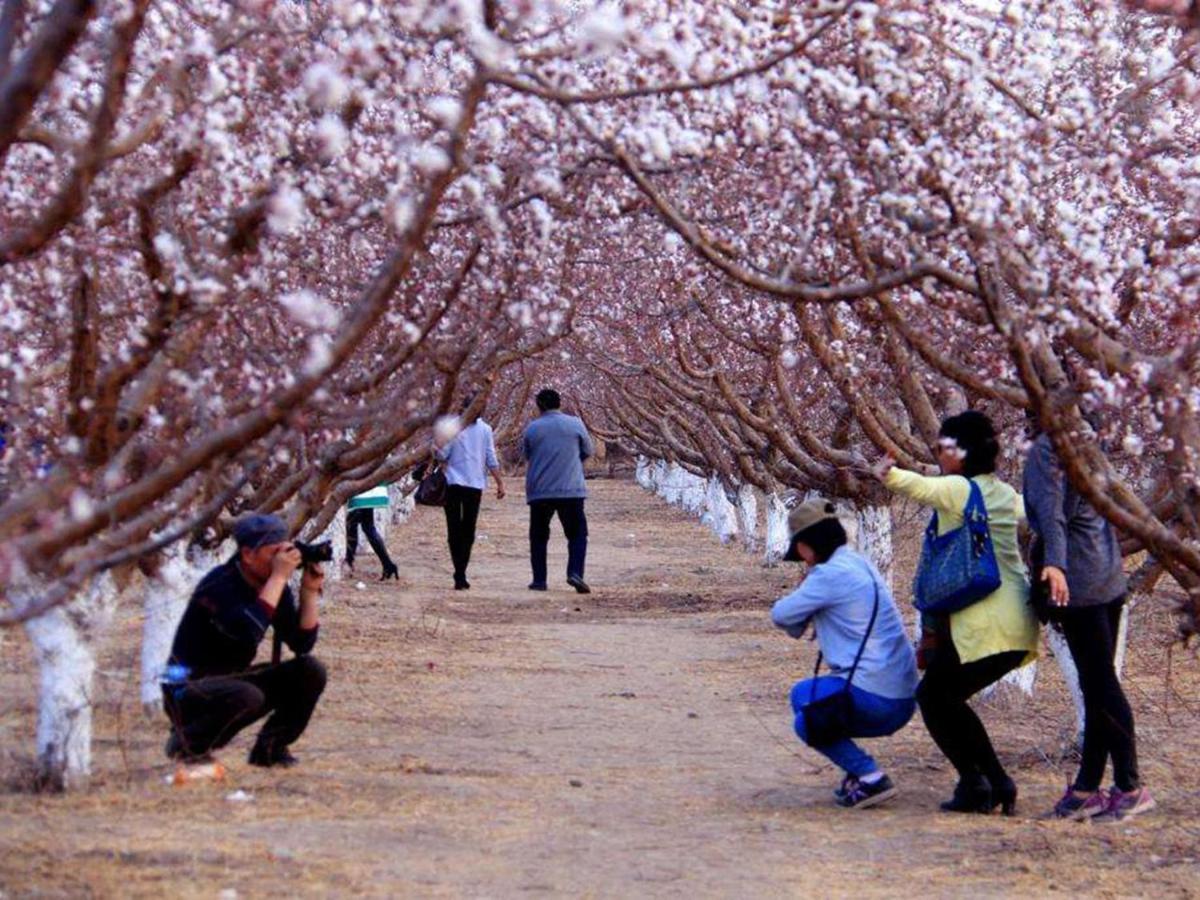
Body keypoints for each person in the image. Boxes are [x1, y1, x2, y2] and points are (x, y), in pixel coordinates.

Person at [872, 410, 1038, 814]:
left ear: (963, 453)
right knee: (944, 699)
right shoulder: (1003, 494)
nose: (939, 453)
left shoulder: (959, 491)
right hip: (1016, 623)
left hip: (985, 626)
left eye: (945, 447)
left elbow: (920, 487)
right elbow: (1034, 515)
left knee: (935, 697)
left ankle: (990, 782)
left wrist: (887, 472)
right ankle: (978, 784)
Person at [1023, 427, 1153, 820]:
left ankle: (1130, 785)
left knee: (1101, 685)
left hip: (1078, 579)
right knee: (1096, 684)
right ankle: (1086, 788)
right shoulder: (1089, 439)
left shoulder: (1050, 448)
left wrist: (1054, 564)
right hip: (1106, 574)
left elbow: (1052, 516)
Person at [771, 499, 918, 809]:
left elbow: (782, 615)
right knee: (811, 700)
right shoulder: (858, 562)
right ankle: (860, 775)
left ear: (806, 546)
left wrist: (806, 602)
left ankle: (869, 776)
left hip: (877, 696)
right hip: (901, 693)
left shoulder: (829, 575)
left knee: (806, 709)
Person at [162, 513, 327, 768]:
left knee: (310, 670)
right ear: (248, 555)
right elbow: (247, 631)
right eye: (274, 554)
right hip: (185, 687)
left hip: (229, 680)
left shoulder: (273, 585)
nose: (282, 562)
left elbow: (301, 644)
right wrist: (279, 578)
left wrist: (309, 592)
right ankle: (187, 743)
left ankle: (270, 749)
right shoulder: (219, 584)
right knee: (247, 695)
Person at [522, 388, 593, 593]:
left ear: (539, 406)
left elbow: (527, 454)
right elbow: (588, 450)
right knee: (577, 534)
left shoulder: (532, 428)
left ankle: (539, 580)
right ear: (559, 403)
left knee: (538, 536)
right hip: (570, 489)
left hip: (540, 490)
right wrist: (571, 462)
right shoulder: (575, 424)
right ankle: (575, 573)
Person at [435, 400, 507, 590]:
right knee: (468, 530)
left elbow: (442, 455)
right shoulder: (485, 429)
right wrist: (499, 482)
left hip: (452, 484)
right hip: (474, 485)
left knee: (454, 528)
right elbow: (491, 457)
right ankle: (461, 571)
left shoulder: (453, 428)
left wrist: (435, 448)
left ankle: (459, 571)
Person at [345, 484, 399, 581]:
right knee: (367, 526)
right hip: (369, 487)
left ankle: (349, 563)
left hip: (361, 487)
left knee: (352, 525)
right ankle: (388, 564)